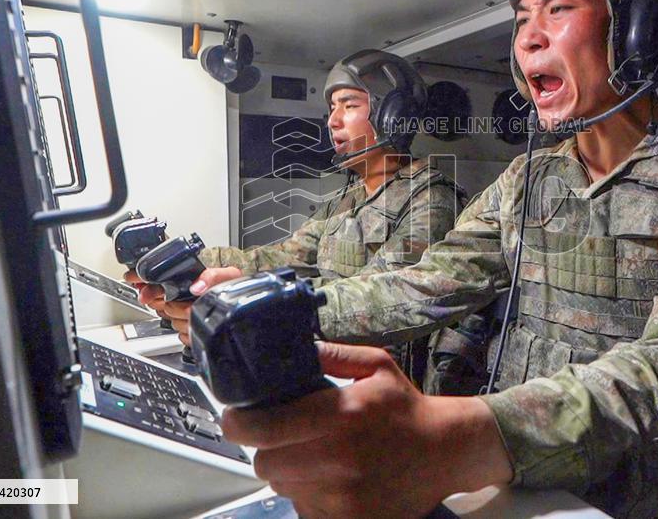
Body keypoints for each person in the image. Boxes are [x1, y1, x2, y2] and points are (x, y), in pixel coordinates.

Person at [217, 0, 658, 518]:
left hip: (646, 498)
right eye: (523, 19)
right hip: (527, 487)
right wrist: (280, 316)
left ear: (635, 32)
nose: (528, 40)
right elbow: (426, 283)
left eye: (558, 10)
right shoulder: (526, 180)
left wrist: (473, 433)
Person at [134, 49, 490, 393]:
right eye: (331, 108)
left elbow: (387, 295)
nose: (333, 120)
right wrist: (195, 266)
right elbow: (286, 257)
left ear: (392, 118)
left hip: (384, 384)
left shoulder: (430, 199)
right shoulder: (346, 198)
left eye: (349, 106)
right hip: (327, 367)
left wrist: (269, 306)